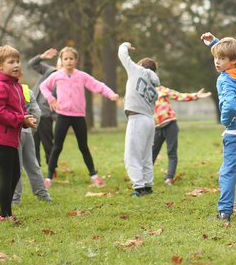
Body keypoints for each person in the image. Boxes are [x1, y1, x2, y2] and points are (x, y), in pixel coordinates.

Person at [39, 47, 119, 187]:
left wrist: (110, 94)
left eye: (71, 58)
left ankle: (94, 175)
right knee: (57, 147)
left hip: (78, 117)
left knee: (83, 147)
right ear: (62, 61)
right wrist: (51, 98)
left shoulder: (82, 76)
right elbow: (43, 86)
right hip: (63, 116)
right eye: (65, 59)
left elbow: (97, 85)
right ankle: (49, 178)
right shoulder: (57, 75)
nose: (68, 61)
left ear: (76, 60)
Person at [201, 32, 236, 220]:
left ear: (233, 60)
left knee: (228, 171)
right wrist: (215, 42)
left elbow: (231, 105)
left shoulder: (225, 79)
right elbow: (232, 53)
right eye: (216, 57)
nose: (217, 62)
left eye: (222, 58)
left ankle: (225, 211)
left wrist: (226, 121)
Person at [0, 62, 52, 205]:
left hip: (14, 132)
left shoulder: (4, 87)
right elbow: (37, 113)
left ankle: (15, 200)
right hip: (27, 132)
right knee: (33, 165)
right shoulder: (26, 90)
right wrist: (32, 129)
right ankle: (43, 195)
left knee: (16, 168)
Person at [0, 46, 37, 222]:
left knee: (15, 174)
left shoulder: (14, 85)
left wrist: (25, 119)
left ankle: (6, 210)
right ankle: (4, 214)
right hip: (0, 137)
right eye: (11, 62)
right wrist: (21, 119)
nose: (16, 65)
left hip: (11, 136)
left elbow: (17, 108)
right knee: (7, 175)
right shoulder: (0, 86)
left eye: (17, 61)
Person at [118, 43, 160, 197]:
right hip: (149, 121)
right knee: (146, 155)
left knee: (132, 154)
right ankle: (148, 186)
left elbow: (123, 56)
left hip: (137, 119)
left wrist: (124, 45)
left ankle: (138, 187)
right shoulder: (153, 85)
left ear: (141, 65)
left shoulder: (137, 70)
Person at [152, 84, 211, 186]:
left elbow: (178, 96)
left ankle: (169, 178)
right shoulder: (142, 93)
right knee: (152, 153)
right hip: (156, 127)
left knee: (172, 152)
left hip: (170, 124)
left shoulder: (161, 89)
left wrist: (196, 96)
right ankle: (144, 178)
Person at [28, 48, 59, 175]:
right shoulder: (49, 71)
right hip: (33, 112)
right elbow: (32, 64)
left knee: (48, 144)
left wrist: (57, 118)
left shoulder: (66, 81)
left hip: (46, 115)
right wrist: (42, 56)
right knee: (33, 143)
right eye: (62, 62)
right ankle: (36, 169)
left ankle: (52, 168)